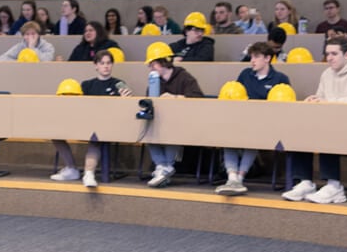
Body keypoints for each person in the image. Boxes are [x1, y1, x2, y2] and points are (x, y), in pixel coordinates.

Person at [282, 37, 347, 204]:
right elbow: (323, 99)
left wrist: (331, 102)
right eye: (327, 54)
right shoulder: (327, 73)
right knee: (299, 130)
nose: (329, 58)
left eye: (334, 54)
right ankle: (306, 182)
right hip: (331, 121)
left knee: (327, 133)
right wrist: (315, 100)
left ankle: (334, 186)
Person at [217, 42, 292, 195]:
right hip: (241, 120)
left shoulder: (280, 78)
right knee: (227, 135)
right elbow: (235, 97)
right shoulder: (245, 74)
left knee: (252, 136)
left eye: (257, 57)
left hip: (266, 125)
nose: (252, 60)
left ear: (267, 58)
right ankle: (232, 177)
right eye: (251, 57)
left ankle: (239, 178)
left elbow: (285, 107)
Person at [51, 51, 132, 188]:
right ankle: (71, 168)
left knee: (95, 137)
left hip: (108, 125)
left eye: (108, 63)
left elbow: (126, 108)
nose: (106, 66)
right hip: (86, 122)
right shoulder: (87, 85)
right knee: (55, 134)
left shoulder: (119, 84)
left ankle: (89, 174)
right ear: (96, 66)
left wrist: (125, 100)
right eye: (102, 63)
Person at [143, 42, 205, 188]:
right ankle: (162, 166)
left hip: (182, 122)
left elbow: (198, 98)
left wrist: (176, 98)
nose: (150, 67)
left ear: (163, 62)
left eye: (153, 64)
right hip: (159, 121)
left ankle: (166, 166)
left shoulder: (183, 77)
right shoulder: (154, 80)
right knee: (146, 127)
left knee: (172, 129)